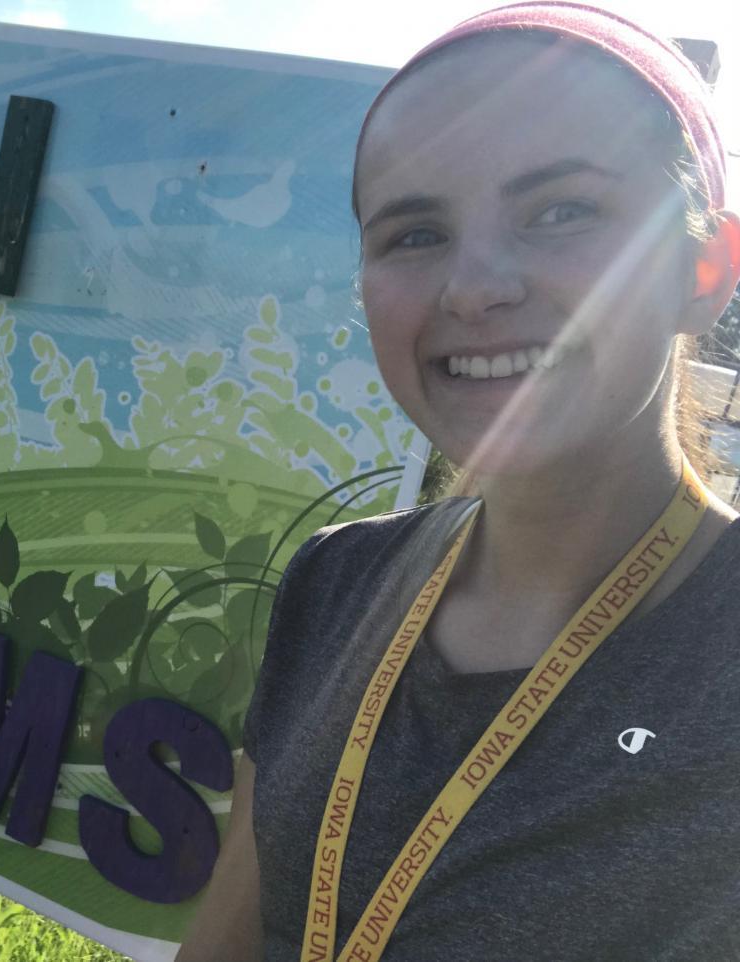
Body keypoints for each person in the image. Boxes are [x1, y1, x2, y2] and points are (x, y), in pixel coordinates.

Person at [176, 4, 740, 961]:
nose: (475, 287)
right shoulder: (337, 579)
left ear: (704, 269)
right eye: (415, 234)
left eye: (561, 210)